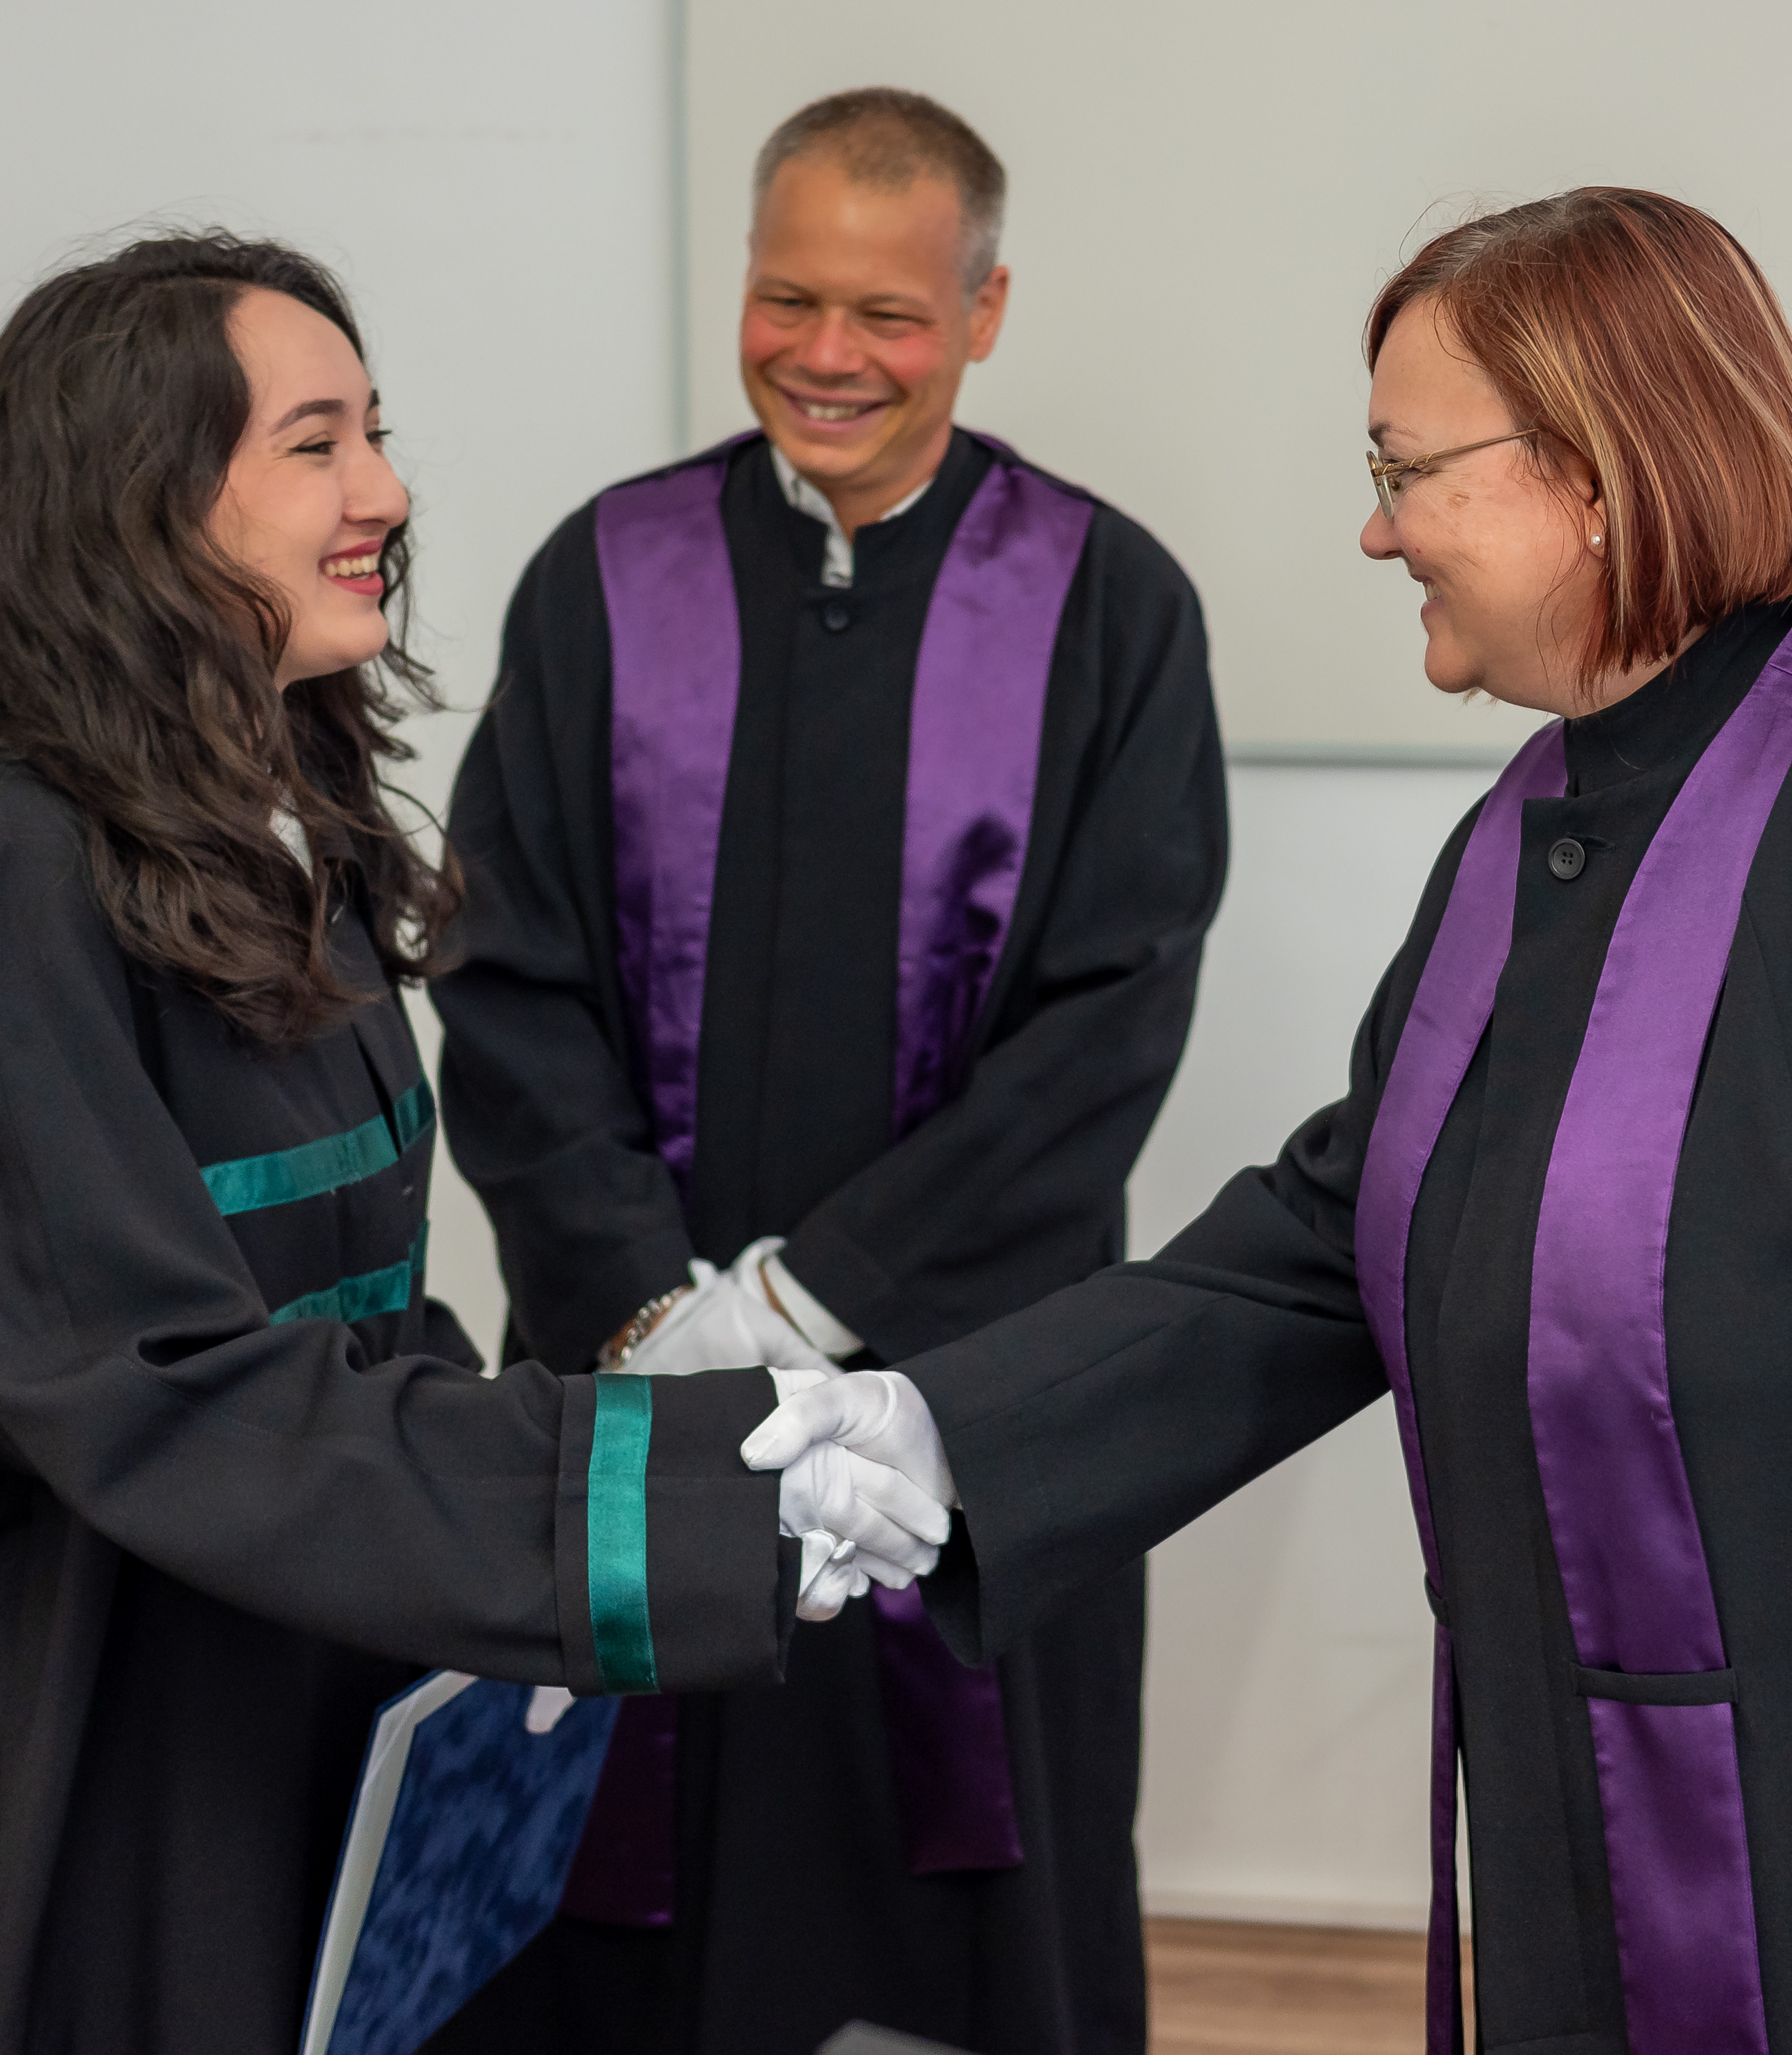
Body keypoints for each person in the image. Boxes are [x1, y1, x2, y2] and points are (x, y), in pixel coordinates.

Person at [753, 189, 1792, 2053]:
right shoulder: (1537, 823)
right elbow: (1343, 1238)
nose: (1376, 529)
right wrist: (952, 1437)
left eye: (1405, 470)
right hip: (1589, 1864)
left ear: (1593, 471)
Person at [0, 233, 930, 2055]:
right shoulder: (5, 871)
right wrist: (664, 1497)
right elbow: (169, 1394)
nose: (385, 492)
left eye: (373, 434)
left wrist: (648, 1437)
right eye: (317, 444)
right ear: (139, 504)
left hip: (242, 1714)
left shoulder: (270, 841)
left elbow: (356, 1326)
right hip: (39, 1786)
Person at [428, 87, 1225, 2055]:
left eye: (888, 311)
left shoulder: (1109, 604)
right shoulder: (607, 577)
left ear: (984, 312)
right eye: (790, 298)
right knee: (626, 1884)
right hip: (642, 1373)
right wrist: (653, 1306)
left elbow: (1107, 1028)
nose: (829, 354)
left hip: (961, 1389)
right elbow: (507, 975)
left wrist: (805, 1305)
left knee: (958, 1901)